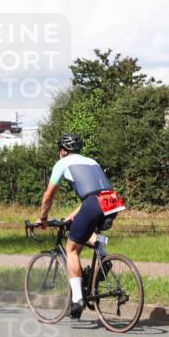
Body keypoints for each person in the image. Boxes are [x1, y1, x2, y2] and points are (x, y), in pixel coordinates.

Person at [33, 133, 125, 319]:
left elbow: (48, 196)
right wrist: (70, 218)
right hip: (112, 201)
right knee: (88, 231)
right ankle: (103, 256)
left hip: (94, 203)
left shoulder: (62, 163)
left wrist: (42, 218)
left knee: (72, 249)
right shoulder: (92, 162)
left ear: (62, 151)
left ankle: (77, 300)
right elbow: (93, 196)